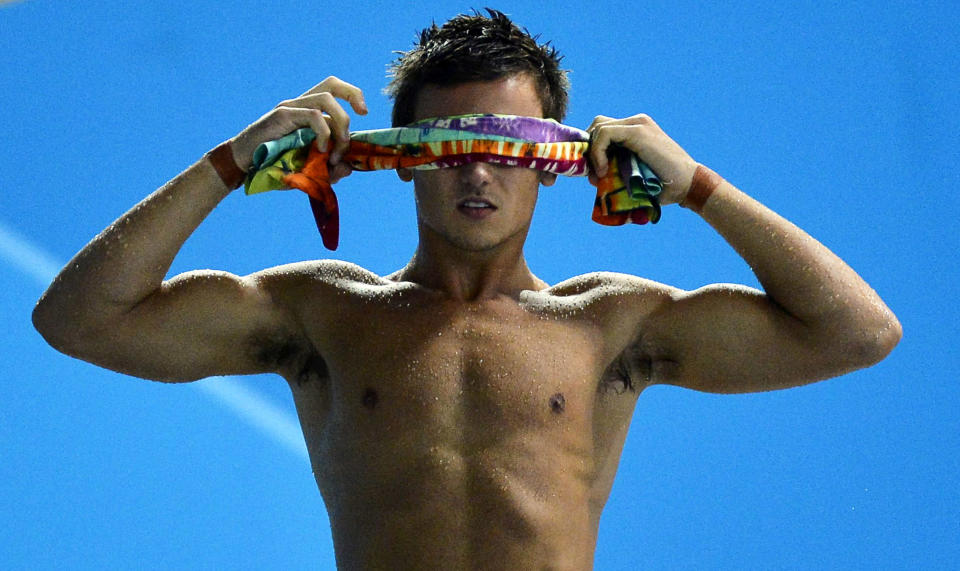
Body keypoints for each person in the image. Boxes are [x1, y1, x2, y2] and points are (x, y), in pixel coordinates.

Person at [32, 9, 901, 570]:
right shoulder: (321, 313)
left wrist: (696, 186)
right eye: (450, 144)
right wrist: (231, 162)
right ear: (406, 156)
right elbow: (79, 319)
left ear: (553, 165)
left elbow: (858, 332)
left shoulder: (614, 324)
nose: (477, 170)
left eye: (505, 145)